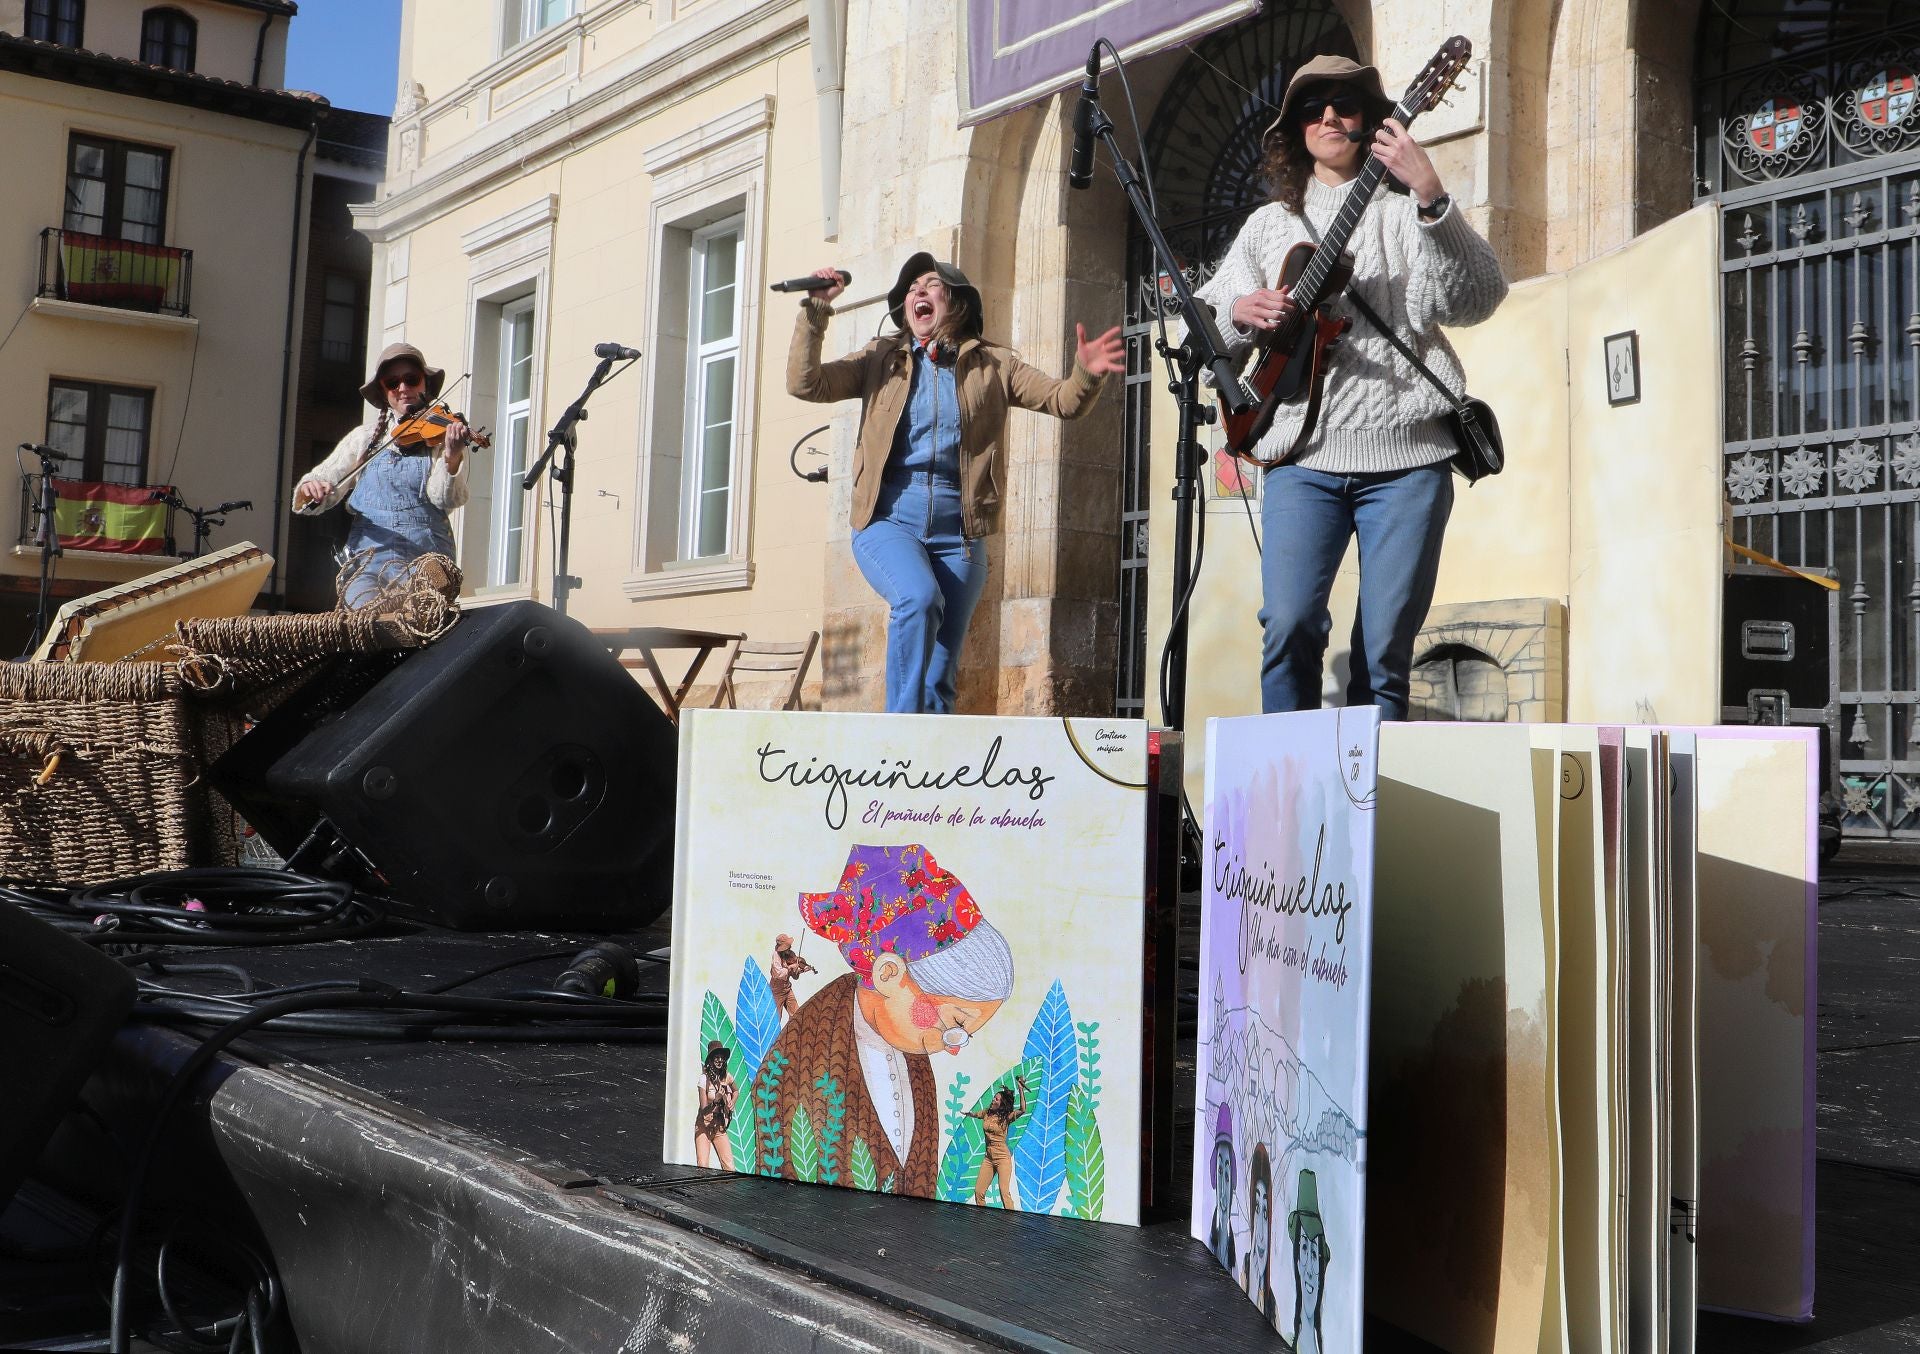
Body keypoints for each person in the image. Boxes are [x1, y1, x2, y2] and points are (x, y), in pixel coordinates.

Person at [1195, 54, 1508, 719]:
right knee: (1287, 627)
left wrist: (1433, 197)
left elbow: (1478, 297)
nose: (1330, 117)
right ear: (1296, 129)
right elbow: (1205, 327)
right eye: (1314, 107)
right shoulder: (1267, 226)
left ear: (1371, 122)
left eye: (1346, 105)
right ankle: (1286, 791)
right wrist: (1239, 312)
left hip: (1408, 463)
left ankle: (1371, 811)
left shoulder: (1404, 214)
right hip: (1301, 459)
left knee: (1384, 654)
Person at [787, 254, 1124, 713]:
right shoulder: (879, 359)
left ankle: (930, 777)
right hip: (888, 522)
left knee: (939, 678)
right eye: (911, 288)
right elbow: (806, 384)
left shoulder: (995, 365)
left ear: (958, 302)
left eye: (931, 284)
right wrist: (816, 311)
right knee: (918, 598)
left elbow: (1064, 402)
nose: (918, 292)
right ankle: (898, 735)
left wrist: (1086, 373)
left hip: (960, 536)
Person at [754, 843, 1015, 1196]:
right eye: (954, 1024)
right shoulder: (799, 1058)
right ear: (889, 974)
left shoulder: (915, 1062)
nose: (953, 1048)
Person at [295, 342, 472, 609]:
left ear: (425, 384)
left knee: (418, 623)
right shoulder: (363, 438)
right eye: (393, 383)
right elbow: (324, 479)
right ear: (384, 391)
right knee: (364, 619)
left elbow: (443, 499)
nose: (403, 389)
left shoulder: (442, 438)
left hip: (426, 560)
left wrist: (452, 456)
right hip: (368, 561)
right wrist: (312, 488)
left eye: (411, 380)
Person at [963, 1075, 1029, 1208]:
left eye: (996, 1099)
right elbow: (977, 1114)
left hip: (1002, 1158)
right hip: (989, 1158)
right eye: (994, 1097)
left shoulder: (1007, 1117)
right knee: (979, 1192)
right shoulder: (987, 1113)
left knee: (1004, 1193)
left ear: (1001, 1103)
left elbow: (1022, 1109)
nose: (993, 1099)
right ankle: (982, 1221)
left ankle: (1010, 1223)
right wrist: (970, 1114)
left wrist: (1021, 1089)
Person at [1243, 1141, 1277, 1321]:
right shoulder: (1242, 1271)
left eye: (1265, 1212)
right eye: (1257, 1208)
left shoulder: (1274, 1308)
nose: (1262, 1232)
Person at [692, 1039, 737, 1170]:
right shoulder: (704, 1079)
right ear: (711, 1060)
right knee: (703, 1166)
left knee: (729, 1166)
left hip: (719, 1126)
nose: (719, 1060)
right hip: (704, 1126)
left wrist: (732, 1103)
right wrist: (716, 1100)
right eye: (716, 1057)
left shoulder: (726, 1076)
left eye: (721, 1058)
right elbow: (704, 1109)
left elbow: (736, 1091)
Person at [1206, 1101, 1237, 1270]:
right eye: (1219, 1170)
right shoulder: (1208, 1240)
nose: (1224, 1190)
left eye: (1227, 1174)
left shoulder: (1237, 1257)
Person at [767, 932, 815, 1023]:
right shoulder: (776, 955)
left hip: (787, 989)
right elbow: (778, 973)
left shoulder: (790, 954)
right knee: (776, 1018)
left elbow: (794, 976)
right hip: (776, 991)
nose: (790, 949)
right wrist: (790, 967)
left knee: (796, 1014)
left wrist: (803, 969)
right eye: (787, 947)